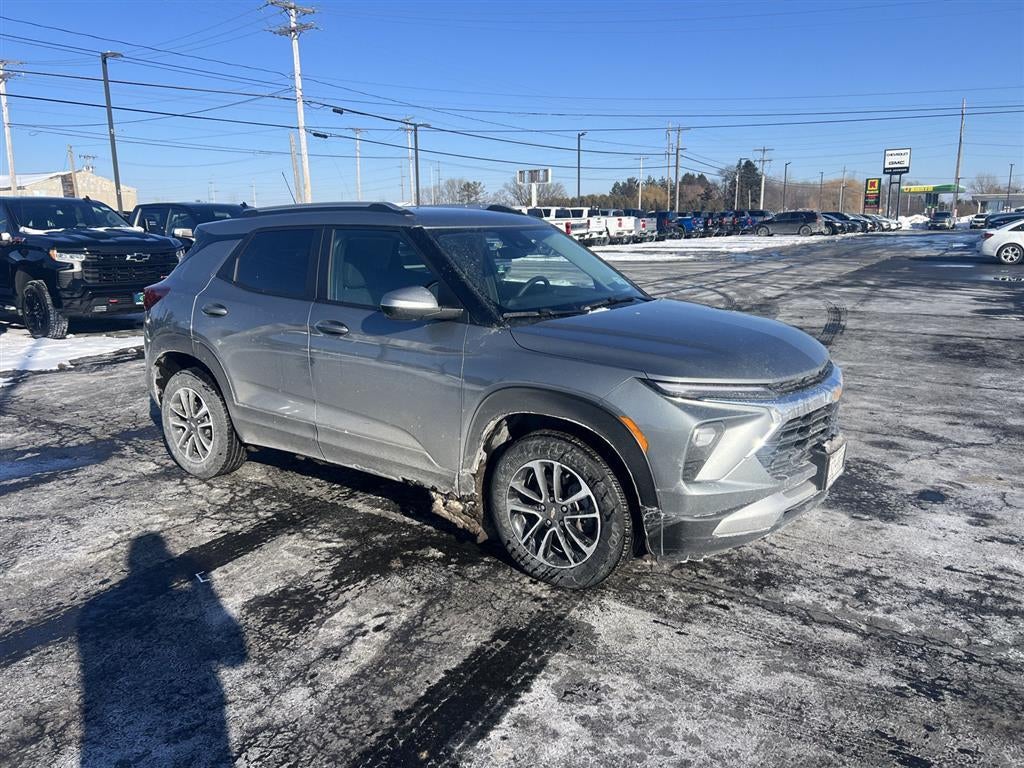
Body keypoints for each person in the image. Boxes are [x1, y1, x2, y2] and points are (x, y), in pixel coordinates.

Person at [78, 533, 247, 767]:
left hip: (126, 726)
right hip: (184, 708)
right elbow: (235, 656)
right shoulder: (185, 600)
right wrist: (203, 585)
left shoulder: (92, 610)